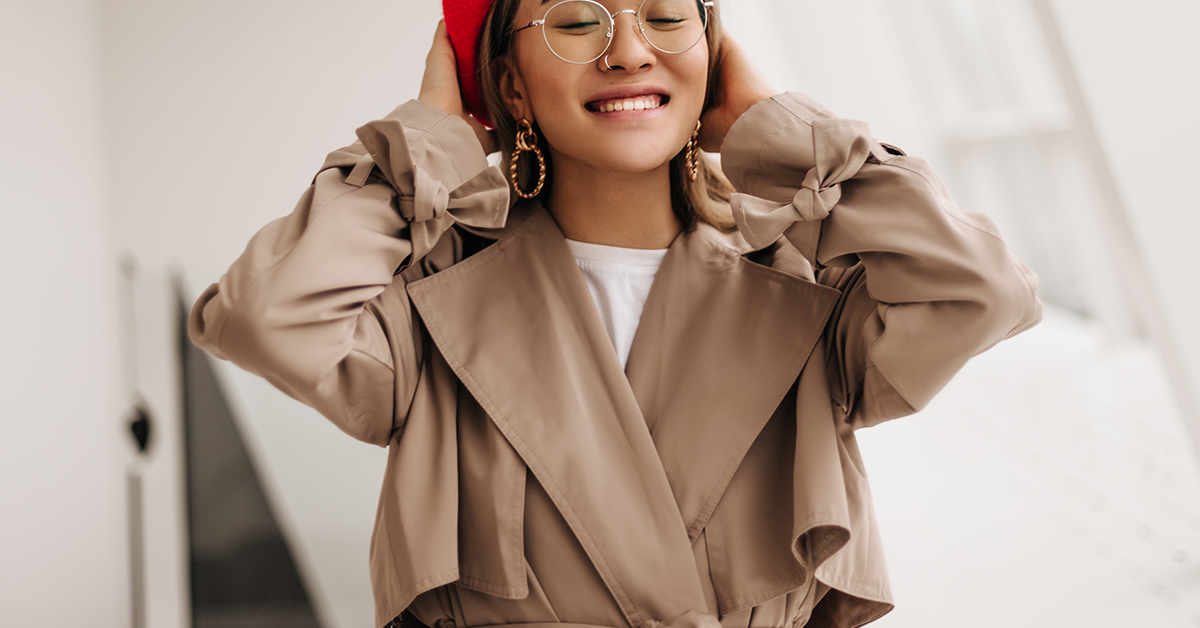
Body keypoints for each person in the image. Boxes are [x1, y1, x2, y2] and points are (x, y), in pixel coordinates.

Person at [188, 0, 1042, 626]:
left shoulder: (810, 299)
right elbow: (264, 317)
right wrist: (428, 146)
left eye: (667, 18)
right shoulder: (425, 314)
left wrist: (782, 137)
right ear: (512, 87)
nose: (630, 50)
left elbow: (983, 289)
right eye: (576, 20)